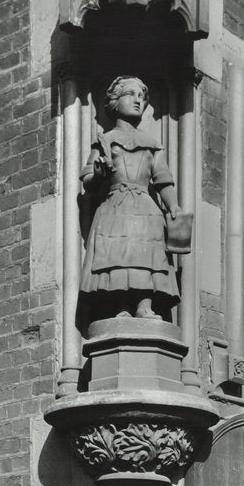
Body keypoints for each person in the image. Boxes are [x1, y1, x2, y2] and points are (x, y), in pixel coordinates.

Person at [79, 76, 180, 322]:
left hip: (145, 207)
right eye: (130, 94)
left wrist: (174, 205)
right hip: (115, 206)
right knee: (117, 256)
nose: (137, 100)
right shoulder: (105, 140)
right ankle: (120, 305)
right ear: (114, 102)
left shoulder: (151, 143)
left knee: (146, 256)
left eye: (142, 97)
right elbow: (88, 180)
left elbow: (162, 178)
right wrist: (99, 175)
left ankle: (144, 306)